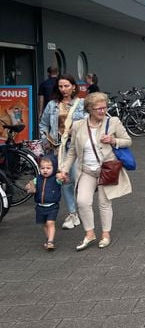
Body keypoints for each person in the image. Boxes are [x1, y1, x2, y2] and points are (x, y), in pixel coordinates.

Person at [58, 92, 132, 251]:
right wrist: (64, 169)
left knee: (104, 203)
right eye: (98, 108)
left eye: (104, 107)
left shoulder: (113, 122)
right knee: (82, 201)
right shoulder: (78, 125)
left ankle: (105, 234)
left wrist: (114, 140)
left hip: (107, 169)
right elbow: (72, 152)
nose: (102, 111)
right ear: (89, 109)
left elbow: (128, 141)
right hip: (86, 170)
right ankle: (89, 234)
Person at [39, 74, 85, 230]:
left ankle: (82, 209)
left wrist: (77, 132)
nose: (63, 89)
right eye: (60, 86)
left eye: (66, 86)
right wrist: (46, 141)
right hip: (57, 149)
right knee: (65, 180)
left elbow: (88, 125)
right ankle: (73, 214)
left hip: (75, 148)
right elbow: (43, 125)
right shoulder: (52, 105)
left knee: (76, 180)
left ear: (73, 86)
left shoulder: (81, 104)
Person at [25, 154, 62, 251]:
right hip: (40, 206)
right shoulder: (37, 179)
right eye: (42, 168)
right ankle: (48, 238)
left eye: (48, 168)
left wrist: (63, 176)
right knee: (44, 224)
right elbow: (28, 186)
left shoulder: (56, 179)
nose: (45, 170)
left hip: (52, 206)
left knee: (50, 223)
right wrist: (29, 187)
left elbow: (64, 180)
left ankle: (50, 241)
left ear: (54, 168)